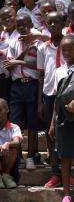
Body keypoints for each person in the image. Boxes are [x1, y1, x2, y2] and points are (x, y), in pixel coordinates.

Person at [3, 14, 39, 170]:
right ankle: (17, 157)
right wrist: (23, 55)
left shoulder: (38, 42)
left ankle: (31, 156)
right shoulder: (13, 42)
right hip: (17, 86)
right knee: (15, 123)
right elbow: (8, 66)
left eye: (25, 24)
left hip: (32, 85)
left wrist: (17, 61)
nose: (22, 27)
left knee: (32, 123)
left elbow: (38, 65)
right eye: (19, 25)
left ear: (31, 24)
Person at [37, 11, 66, 188]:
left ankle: (67, 172)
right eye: (49, 23)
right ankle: (55, 172)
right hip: (49, 94)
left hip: (67, 95)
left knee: (67, 133)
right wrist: (40, 101)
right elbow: (40, 75)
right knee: (51, 134)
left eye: (56, 22)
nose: (53, 25)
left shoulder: (70, 43)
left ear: (64, 23)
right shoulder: (42, 47)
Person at [49, 35, 74, 202]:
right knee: (65, 157)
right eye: (64, 49)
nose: (67, 52)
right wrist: (52, 123)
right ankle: (66, 194)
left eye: (70, 49)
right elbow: (57, 99)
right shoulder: (59, 71)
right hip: (64, 120)